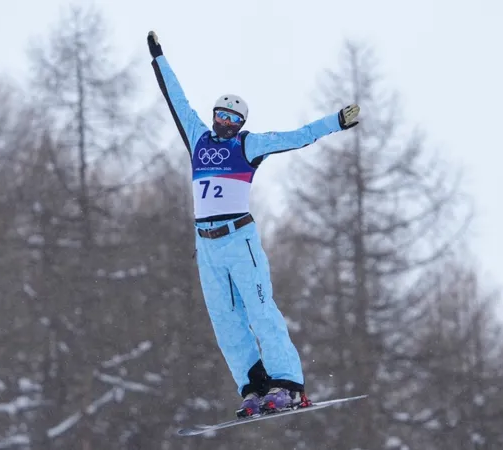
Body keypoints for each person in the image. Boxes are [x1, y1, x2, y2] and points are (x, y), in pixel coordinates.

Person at [147, 30, 360, 417]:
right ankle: (254, 387)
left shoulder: (248, 145)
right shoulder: (197, 139)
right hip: (207, 246)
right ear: (213, 116)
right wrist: (158, 57)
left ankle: (288, 385)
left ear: (241, 122)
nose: (225, 122)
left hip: (238, 237)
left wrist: (336, 122)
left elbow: (297, 137)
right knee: (225, 321)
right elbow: (176, 100)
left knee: (260, 311)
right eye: (221, 115)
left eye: (233, 118)